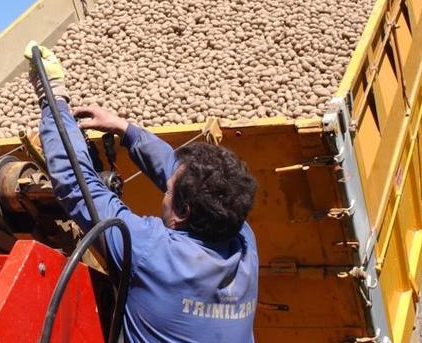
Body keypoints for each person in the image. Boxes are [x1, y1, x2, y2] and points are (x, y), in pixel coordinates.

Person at [25, 42, 259, 343]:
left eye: (169, 188)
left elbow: (75, 182)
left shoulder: (151, 250)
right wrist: (125, 129)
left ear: (183, 211)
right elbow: (177, 170)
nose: (166, 184)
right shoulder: (244, 241)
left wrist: (53, 97)